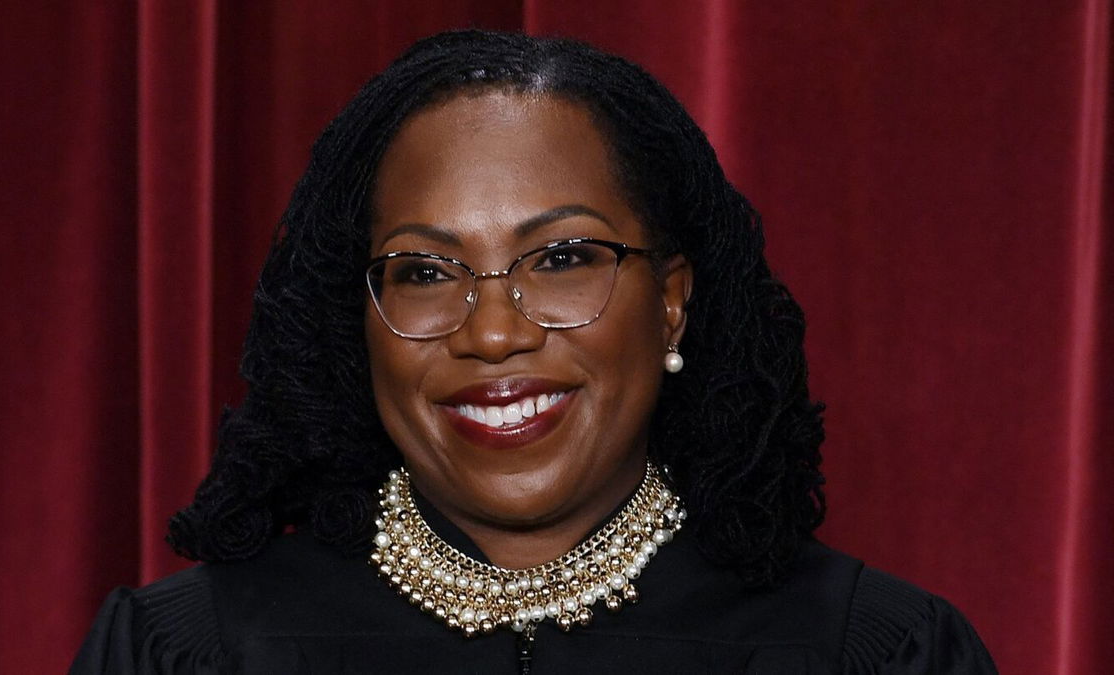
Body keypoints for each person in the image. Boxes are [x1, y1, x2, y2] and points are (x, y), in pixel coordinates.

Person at [72, 30, 996, 673]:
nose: (494, 330)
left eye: (562, 258)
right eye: (426, 271)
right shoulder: (190, 653)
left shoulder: (869, 651)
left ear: (671, 303)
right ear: (356, 321)